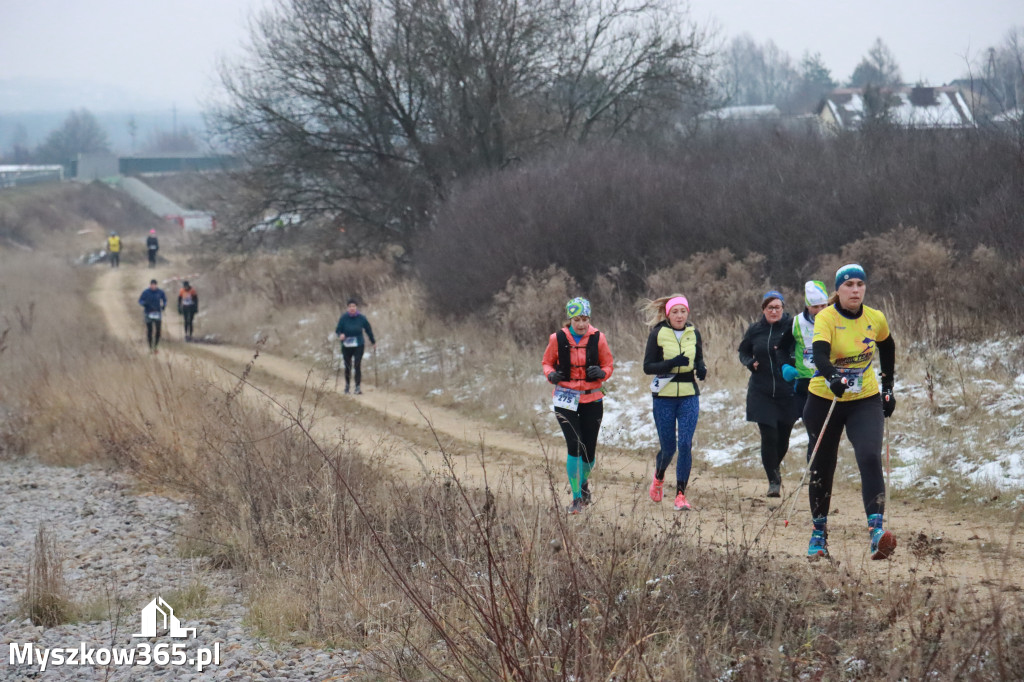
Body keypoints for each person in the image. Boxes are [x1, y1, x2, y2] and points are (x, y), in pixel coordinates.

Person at [803, 264, 897, 561]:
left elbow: (888, 347)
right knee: (822, 465)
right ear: (838, 290)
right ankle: (818, 535)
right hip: (824, 398)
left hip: (864, 398)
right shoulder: (826, 318)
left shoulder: (875, 318)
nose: (855, 290)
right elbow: (819, 354)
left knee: (869, 455)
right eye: (848, 285)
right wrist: (832, 376)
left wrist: (888, 387)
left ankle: (877, 533)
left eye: (859, 284)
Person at [541, 297, 614, 514]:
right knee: (575, 444)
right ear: (569, 319)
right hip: (566, 398)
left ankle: (583, 483)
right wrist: (551, 375)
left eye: (585, 319)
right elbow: (546, 362)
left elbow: (608, 365)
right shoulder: (557, 338)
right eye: (576, 319)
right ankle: (576, 498)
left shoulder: (599, 338)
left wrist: (602, 373)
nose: (581, 324)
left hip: (592, 398)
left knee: (589, 451)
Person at [641, 294, 707, 511]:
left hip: (689, 394)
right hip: (664, 397)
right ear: (668, 314)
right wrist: (670, 364)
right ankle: (659, 477)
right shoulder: (658, 333)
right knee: (668, 448)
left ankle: (680, 494)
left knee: (685, 444)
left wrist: (701, 367)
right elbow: (648, 366)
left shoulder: (693, 332)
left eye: (683, 311)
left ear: (688, 313)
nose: (680, 315)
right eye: (675, 312)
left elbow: (698, 357)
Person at [738, 290, 799, 498]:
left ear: (783, 308)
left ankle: (774, 467)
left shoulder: (792, 327)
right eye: (770, 308)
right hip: (761, 391)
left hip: (787, 391)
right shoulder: (755, 330)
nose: (774, 311)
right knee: (769, 436)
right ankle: (773, 480)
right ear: (763, 310)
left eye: (778, 307)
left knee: (783, 439)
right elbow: (743, 351)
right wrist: (750, 362)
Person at [780, 280, 830, 419]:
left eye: (823, 305)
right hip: (805, 384)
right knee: (814, 433)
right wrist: (784, 365)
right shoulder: (796, 323)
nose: (820, 310)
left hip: (831, 381)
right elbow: (781, 348)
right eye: (815, 306)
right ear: (808, 306)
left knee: (830, 434)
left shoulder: (837, 319)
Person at [334, 299, 376, 394]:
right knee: (347, 366)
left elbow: (368, 330)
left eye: (354, 306)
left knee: (357, 365)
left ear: (356, 307)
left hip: (358, 344)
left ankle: (357, 387)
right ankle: (347, 386)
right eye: (350, 306)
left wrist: (373, 341)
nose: (352, 308)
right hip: (346, 345)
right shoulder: (343, 318)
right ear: (347, 308)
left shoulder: (362, 318)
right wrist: (340, 335)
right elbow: (337, 330)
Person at [138, 279, 167, 354]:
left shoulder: (160, 292)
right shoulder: (146, 292)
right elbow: (140, 300)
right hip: (148, 313)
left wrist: (164, 305)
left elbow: (164, 300)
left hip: (157, 312)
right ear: (150, 285)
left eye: (154, 285)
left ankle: (156, 346)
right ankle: (150, 346)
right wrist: (143, 303)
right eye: (152, 285)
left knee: (158, 330)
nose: (153, 286)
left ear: (156, 285)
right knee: (150, 330)